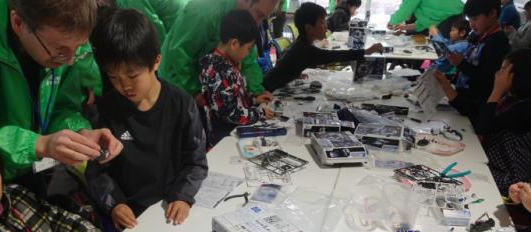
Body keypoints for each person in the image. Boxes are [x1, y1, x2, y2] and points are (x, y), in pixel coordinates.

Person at [0, 0, 123, 185]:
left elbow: (62, 106)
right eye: (60, 50)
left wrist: (78, 133)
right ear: (18, 22)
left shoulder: (64, 38)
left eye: (80, 47)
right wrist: (39, 145)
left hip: (25, 162)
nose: (71, 60)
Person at [87, 8, 208, 232]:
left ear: (156, 61)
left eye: (133, 75)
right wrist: (115, 204)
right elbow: (97, 171)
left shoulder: (181, 104)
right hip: (131, 215)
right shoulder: (105, 111)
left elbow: (196, 161)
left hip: (170, 208)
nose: (125, 86)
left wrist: (182, 196)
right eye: (114, 77)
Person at [158, 0, 279, 102]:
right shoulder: (204, 11)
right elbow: (180, 53)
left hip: (203, 81)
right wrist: (195, 91)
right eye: (259, 15)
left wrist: (258, 92)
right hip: (176, 79)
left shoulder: (244, 18)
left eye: (263, 18)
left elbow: (247, 58)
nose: (258, 23)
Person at [263, 3, 383, 92]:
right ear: (309, 28)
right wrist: (367, 51)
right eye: (321, 22)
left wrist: (294, 73)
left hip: (271, 84)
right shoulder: (305, 50)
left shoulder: (300, 44)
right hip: (268, 90)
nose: (326, 26)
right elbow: (335, 56)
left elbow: (284, 62)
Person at [473, 49, 531, 195]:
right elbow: (480, 114)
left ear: (518, 76)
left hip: (510, 177)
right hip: (492, 161)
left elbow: (483, 127)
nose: (497, 74)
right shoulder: (512, 97)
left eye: (503, 70)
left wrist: (497, 90)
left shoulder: (526, 108)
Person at [200, 10, 276, 148]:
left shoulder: (226, 63)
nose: (248, 54)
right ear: (234, 44)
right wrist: (259, 113)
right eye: (248, 48)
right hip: (224, 140)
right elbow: (229, 113)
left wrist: (254, 100)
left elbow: (233, 98)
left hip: (235, 131)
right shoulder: (217, 70)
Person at [434, 0, 510, 121]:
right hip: (461, 95)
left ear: (492, 13)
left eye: (475, 19)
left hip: (474, 107)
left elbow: (486, 80)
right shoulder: (478, 35)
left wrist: (461, 64)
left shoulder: (498, 42)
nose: (471, 24)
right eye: (469, 19)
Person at [388, 0, 464, 36]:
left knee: (443, 50)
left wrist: (392, 22)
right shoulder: (424, 6)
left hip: (453, 16)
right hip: (451, 16)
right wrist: (403, 27)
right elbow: (422, 24)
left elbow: (405, 11)